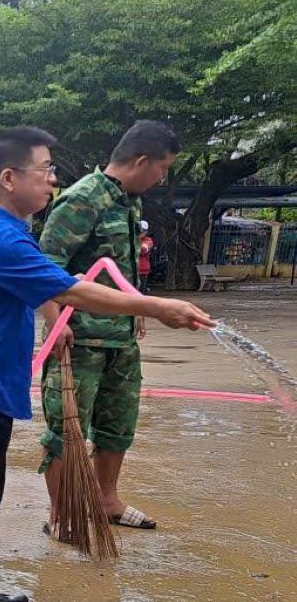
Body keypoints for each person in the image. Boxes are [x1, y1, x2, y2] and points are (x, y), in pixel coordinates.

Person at [0, 127, 212, 602]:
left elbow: (42, 288)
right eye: (46, 170)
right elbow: (75, 289)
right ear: (9, 178)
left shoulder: (8, 231)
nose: (53, 180)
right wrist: (157, 306)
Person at [38, 120, 180, 536]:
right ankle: (63, 513)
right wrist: (52, 323)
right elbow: (44, 269)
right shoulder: (81, 200)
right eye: (161, 169)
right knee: (67, 429)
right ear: (141, 161)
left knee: (118, 423)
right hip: (77, 336)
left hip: (119, 339)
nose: (162, 177)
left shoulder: (128, 201)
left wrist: (135, 307)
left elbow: (120, 264)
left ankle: (106, 500)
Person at [137, 220, 153, 293]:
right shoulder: (131, 239)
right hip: (132, 270)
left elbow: (145, 248)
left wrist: (143, 246)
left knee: (141, 292)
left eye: (144, 231)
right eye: (140, 230)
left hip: (142, 270)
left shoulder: (148, 240)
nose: (142, 232)